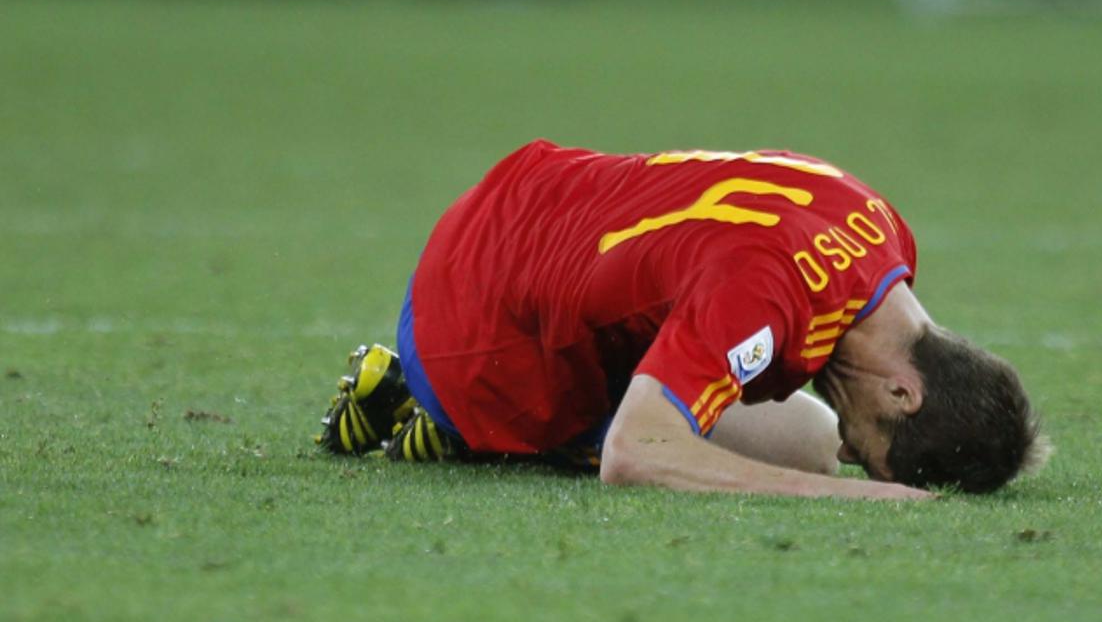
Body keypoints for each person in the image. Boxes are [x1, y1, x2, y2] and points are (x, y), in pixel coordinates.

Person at [315, 140, 1048, 500]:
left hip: (525, 201)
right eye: (875, 451)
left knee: (807, 437)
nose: (858, 457)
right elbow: (634, 456)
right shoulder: (761, 300)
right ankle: (440, 412)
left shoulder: (880, 226)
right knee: (780, 454)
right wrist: (865, 497)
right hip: (478, 319)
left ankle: (433, 406)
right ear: (902, 393)